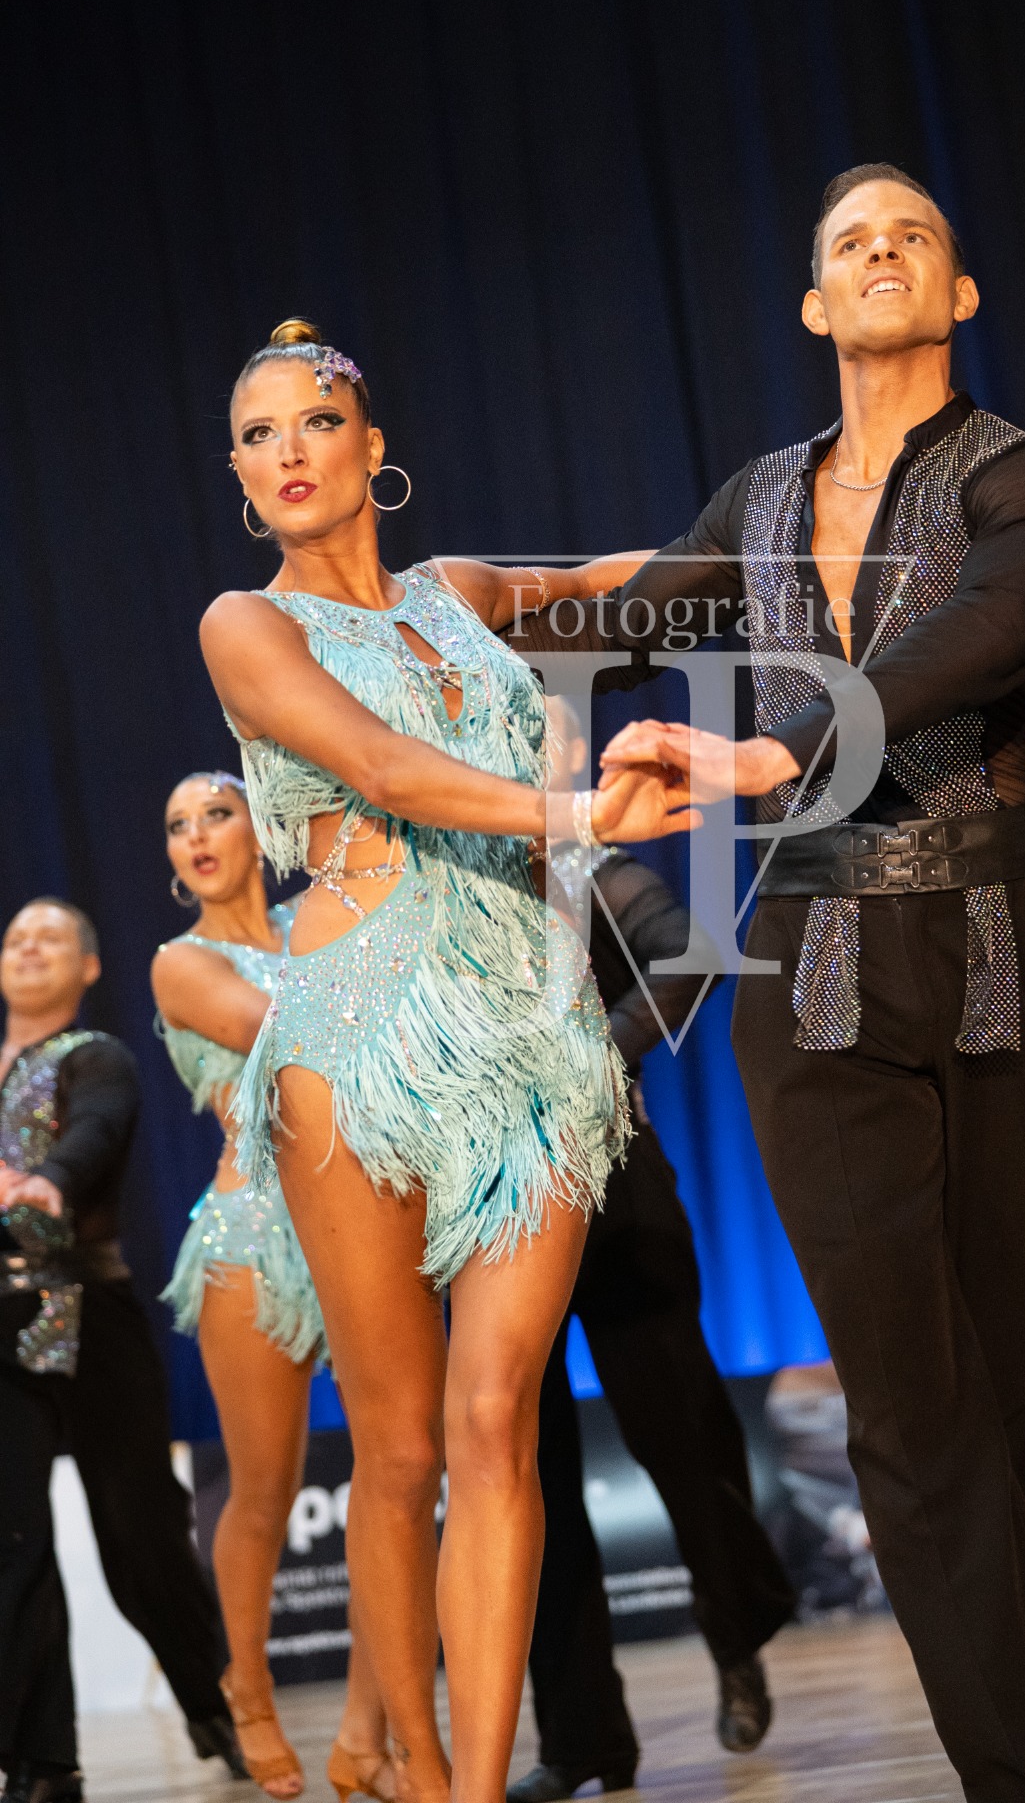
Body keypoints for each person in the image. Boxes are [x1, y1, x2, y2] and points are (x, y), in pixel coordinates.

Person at [539, 163, 1025, 1798]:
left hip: (999, 947)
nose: (881, 254)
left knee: (1008, 1414)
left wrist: (771, 746)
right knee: (905, 1420)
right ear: (815, 304)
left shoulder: (1020, 475)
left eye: (911, 237)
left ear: (955, 293)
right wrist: (418, 600)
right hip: (809, 972)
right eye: (850, 243)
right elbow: (614, 623)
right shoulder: (754, 503)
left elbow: (980, 637)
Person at [197, 319, 688, 1803]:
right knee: (401, 1449)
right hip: (357, 1042)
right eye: (257, 434)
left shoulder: (460, 591)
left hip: (532, 1036)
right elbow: (384, 769)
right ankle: (394, 1750)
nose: (287, 451)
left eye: (313, 420)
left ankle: (474, 1785)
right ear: (241, 477)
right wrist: (580, 813)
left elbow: (612, 585)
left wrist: (788, 543)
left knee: (496, 1425)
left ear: (371, 444)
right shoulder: (247, 624)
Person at [509, 829, 795, 1803]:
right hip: (491, 1202)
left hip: (614, 1183)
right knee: (527, 1471)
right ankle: (582, 1737)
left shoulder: (579, 869)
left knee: (681, 1433)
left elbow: (691, 950)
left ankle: (736, 1633)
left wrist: (593, 1055)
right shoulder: (426, 890)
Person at [153, 769, 394, 1802]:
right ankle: (246, 1689)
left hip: (364, 1219)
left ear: (260, 827)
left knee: (398, 1472)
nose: (197, 834)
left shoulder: (313, 920)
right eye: (178, 825)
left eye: (216, 812)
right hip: (254, 1238)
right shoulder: (182, 962)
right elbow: (292, 1027)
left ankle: (366, 1729)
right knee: (262, 1490)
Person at [0, 898, 242, 1803]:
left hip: (89, 1310)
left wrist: (48, 1180)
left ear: (89, 967)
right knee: (14, 1538)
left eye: (51, 938)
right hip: (1, 1323)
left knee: (140, 1535)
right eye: (16, 937)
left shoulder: (95, 1056)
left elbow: (95, 1130)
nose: (29, 948)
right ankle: (43, 1763)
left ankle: (219, 1704)